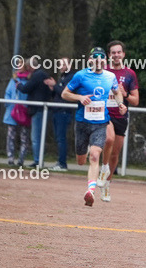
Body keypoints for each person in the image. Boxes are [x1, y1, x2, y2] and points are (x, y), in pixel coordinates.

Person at [61, 47, 122, 205]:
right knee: (81, 160)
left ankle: (90, 191)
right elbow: (64, 93)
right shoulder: (81, 75)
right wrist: (80, 97)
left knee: (95, 155)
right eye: (96, 58)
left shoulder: (110, 76)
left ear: (105, 61)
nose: (99, 60)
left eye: (102, 58)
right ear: (90, 60)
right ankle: (84, 154)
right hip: (82, 123)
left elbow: (117, 92)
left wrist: (121, 103)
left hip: (101, 123)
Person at [105, 41, 138, 182]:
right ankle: (100, 169)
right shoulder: (103, 72)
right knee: (108, 139)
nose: (116, 55)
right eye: (113, 53)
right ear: (109, 55)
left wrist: (125, 94)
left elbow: (136, 101)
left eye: (119, 52)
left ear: (123, 54)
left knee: (115, 153)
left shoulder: (130, 74)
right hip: (104, 115)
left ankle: (108, 180)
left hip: (121, 116)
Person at [17, 61, 55, 167]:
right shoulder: (43, 74)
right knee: (39, 136)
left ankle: (38, 160)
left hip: (38, 110)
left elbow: (25, 89)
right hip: (42, 109)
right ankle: (39, 159)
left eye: (28, 67)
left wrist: (19, 85)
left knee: (35, 137)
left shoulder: (37, 75)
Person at [50, 59, 75, 171]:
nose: (61, 66)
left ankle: (62, 164)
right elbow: (57, 93)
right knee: (58, 138)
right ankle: (60, 162)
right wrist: (52, 88)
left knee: (61, 138)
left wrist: (54, 85)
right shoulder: (63, 77)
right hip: (57, 111)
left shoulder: (71, 77)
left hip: (64, 111)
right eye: (59, 64)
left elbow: (65, 93)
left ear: (69, 65)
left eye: (63, 64)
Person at [4, 68, 30, 165]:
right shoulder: (13, 80)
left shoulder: (29, 81)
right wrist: (8, 103)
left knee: (24, 138)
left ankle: (21, 160)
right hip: (12, 112)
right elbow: (7, 94)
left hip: (24, 113)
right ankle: (10, 158)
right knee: (11, 136)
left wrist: (26, 106)